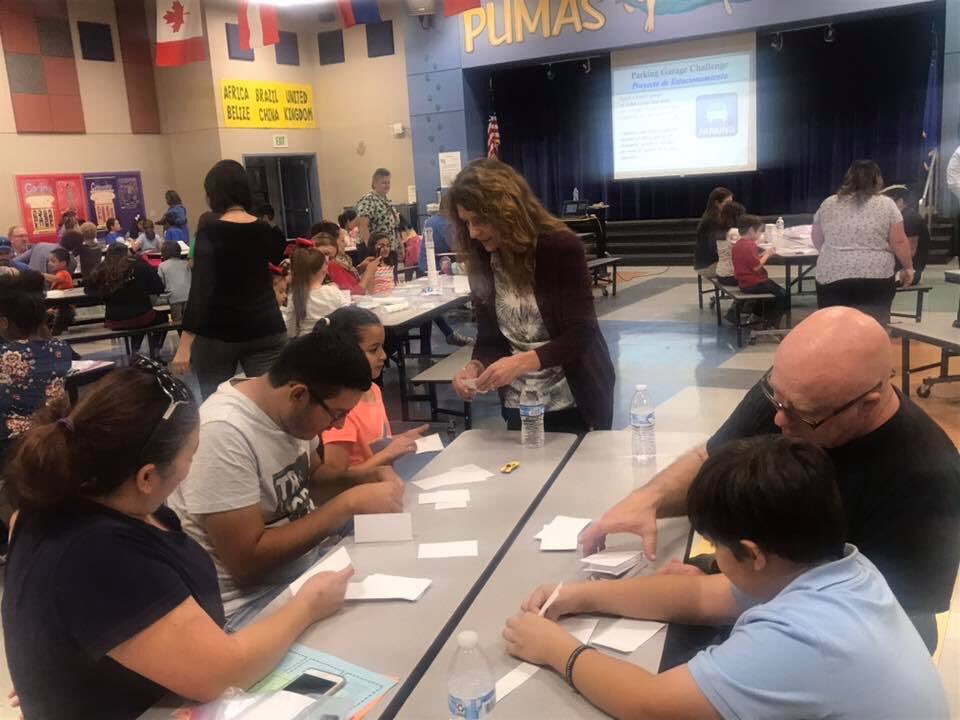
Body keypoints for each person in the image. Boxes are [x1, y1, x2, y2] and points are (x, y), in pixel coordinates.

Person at [580, 307, 960, 652]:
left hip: (850, 636)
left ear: (868, 403)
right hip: (759, 581)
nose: (779, 420)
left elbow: (878, 614)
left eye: (802, 414)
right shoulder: (796, 393)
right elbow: (711, 457)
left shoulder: (927, 481)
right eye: (776, 398)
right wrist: (649, 499)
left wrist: (719, 587)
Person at [3, 361, 356, 720]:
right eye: (191, 454)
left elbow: (57, 624)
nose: (194, 464)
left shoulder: (69, 502)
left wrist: (59, 670)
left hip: (170, 682)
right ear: (147, 476)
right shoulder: (97, 552)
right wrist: (309, 604)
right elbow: (222, 675)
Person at [507, 436, 949, 720]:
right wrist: (579, 595)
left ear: (753, 554)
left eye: (717, 545)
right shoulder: (843, 567)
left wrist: (555, 648)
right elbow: (699, 595)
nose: (713, 557)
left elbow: (648, 705)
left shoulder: (800, 639)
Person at [167, 329, 404, 629]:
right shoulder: (224, 432)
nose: (338, 425)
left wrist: (364, 478)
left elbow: (313, 477)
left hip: (305, 571)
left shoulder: (289, 413)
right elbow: (246, 562)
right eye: (336, 415)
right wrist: (346, 505)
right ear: (299, 394)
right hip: (249, 605)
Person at [450, 158, 615, 433]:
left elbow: (581, 333)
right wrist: (475, 366)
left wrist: (520, 362)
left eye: (479, 221)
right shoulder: (482, 261)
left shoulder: (560, 248)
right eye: (466, 222)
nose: (473, 233)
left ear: (507, 211)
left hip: (576, 401)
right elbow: (490, 338)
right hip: (520, 405)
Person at [172, 160, 288, 399]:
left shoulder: (210, 231)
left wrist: (184, 345)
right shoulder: (264, 230)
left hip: (219, 332)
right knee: (272, 403)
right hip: (266, 326)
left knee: (217, 403)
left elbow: (201, 290)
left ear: (213, 193)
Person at [319, 307, 427, 475]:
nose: (384, 355)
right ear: (346, 353)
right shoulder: (340, 410)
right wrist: (387, 454)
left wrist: (398, 440)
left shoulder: (373, 389)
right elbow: (335, 479)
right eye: (373, 349)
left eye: (382, 347)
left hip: (384, 484)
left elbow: (371, 445)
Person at [812, 160, 915, 326]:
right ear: (877, 180)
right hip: (875, 275)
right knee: (874, 327)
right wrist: (908, 267)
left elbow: (817, 237)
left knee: (832, 328)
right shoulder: (887, 204)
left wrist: (833, 254)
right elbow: (898, 240)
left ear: (848, 178)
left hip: (833, 274)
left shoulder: (829, 203)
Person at [0, 270, 70, 466]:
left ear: (4, 323)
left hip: (10, 444)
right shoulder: (61, 349)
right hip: (52, 434)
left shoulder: (5, 355)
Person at [85, 244, 168, 354]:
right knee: (160, 317)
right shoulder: (139, 265)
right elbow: (158, 287)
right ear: (126, 253)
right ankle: (154, 352)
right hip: (142, 316)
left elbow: (89, 292)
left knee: (137, 319)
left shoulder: (100, 270)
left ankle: (135, 352)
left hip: (113, 320)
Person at [731, 214, 786, 329]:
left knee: (773, 292)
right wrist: (767, 254)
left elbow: (748, 260)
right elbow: (756, 267)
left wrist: (761, 255)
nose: (760, 235)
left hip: (744, 283)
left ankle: (757, 316)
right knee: (783, 294)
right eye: (760, 232)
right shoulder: (750, 245)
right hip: (754, 283)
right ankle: (771, 324)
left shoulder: (738, 244)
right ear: (751, 231)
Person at [282, 247, 347, 338]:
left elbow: (291, 332)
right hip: (333, 343)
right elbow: (348, 318)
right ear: (324, 270)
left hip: (304, 346)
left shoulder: (294, 297)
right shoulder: (333, 292)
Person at [882, 184, 930, 284]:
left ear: (900, 202)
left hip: (907, 272)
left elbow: (909, 252)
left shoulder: (909, 218)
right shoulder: (900, 218)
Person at [313, 232, 377, 295]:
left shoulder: (340, 263)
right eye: (342, 240)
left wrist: (359, 269)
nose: (345, 244)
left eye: (331, 258)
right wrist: (368, 273)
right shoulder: (332, 266)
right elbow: (351, 294)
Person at [355, 168, 400, 250]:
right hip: (375, 249)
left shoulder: (386, 201)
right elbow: (362, 225)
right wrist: (371, 248)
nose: (387, 185)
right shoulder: (369, 199)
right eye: (383, 183)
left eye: (388, 182)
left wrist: (399, 245)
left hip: (389, 248)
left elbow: (393, 227)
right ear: (374, 184)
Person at [693, 187, 733, 276]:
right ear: (716, 203)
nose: (730, 206)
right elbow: (715, 248)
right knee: (742, 267)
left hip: (713, 260)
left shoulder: (719, 216)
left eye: (731, 202)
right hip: (708, 265)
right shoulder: (710, 220)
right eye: (727, 203)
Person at [15, 230, 81, 274]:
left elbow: (16, 261)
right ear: (76, 247)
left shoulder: (40, 245)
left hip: (29, 286)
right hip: (53, 292)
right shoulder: (71, 261)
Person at [158, 240, 192, 325]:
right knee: (188, 320)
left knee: (177, 322)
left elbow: (160, 282)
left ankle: (180, 336)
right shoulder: (186, 263)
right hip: (188, 295)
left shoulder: (162, 265)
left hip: (173, 297)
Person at [713, 201, 743, 287]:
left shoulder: (720, 230)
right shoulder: (734, 232)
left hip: (721, 273)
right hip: (732, 276)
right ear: (736, 217)